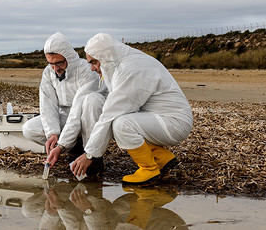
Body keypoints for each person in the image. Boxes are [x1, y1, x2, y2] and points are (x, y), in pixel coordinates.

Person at [67, 33, 193, 184]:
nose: (92, 68)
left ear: (105, 56)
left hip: (173, 124)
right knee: (120, 119)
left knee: (121, 123)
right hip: (164, 118)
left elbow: (110, 113)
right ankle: (161, 158)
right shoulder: (125, 62)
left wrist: (89, 155)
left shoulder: (130, 70)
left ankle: (149, 169)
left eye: (94, 62)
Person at [22, 32, 106, 164]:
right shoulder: (49, 72)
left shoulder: (86, 70)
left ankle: (92, 155)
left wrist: (61, 145)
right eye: (51, 63)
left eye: (59, 63)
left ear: (69, 57)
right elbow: (47, 105)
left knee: (93, 100)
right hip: (65, 116)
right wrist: (52, 134)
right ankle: (75, 148)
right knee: (29, 129)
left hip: (88, 116)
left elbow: (77, 110)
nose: (55, 68)